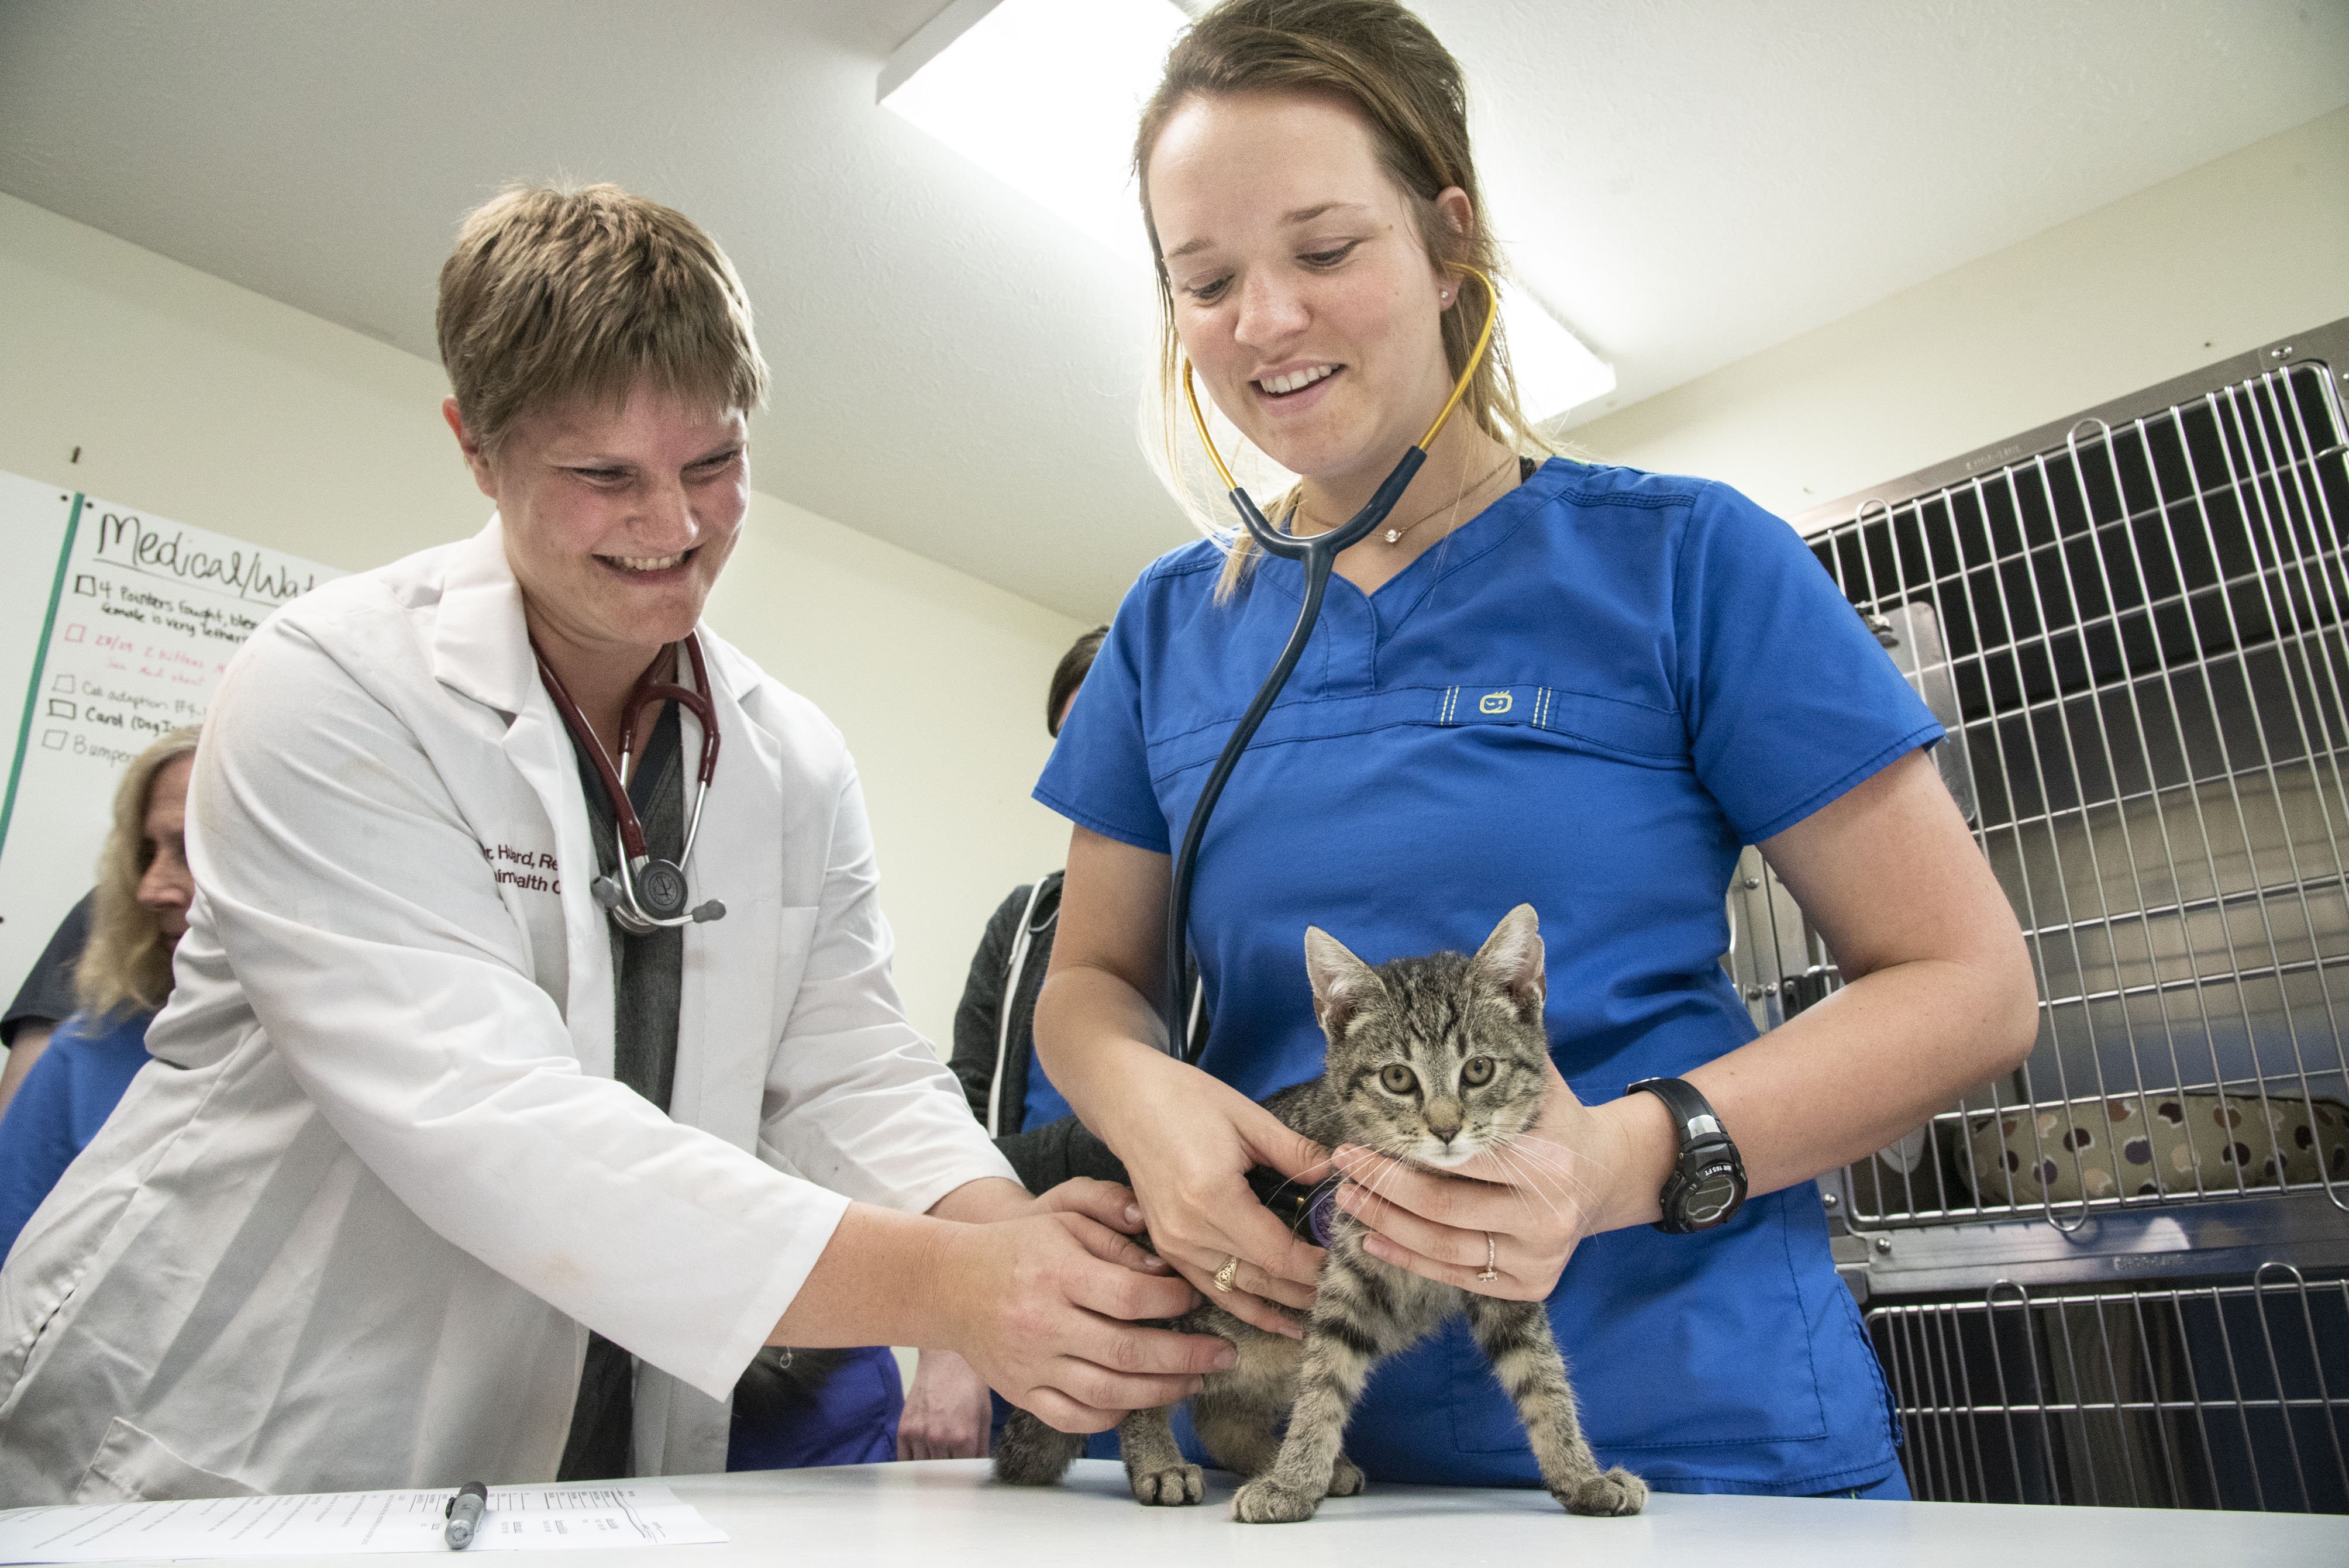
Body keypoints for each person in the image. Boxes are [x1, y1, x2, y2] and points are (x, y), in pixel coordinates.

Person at [0, 184, 1233, 1504]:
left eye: (714, 464)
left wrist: (1013, 1237)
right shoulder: (332, 687)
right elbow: (495, 1123)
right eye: (604, 476)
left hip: (578, 1463)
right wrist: (951, 1284)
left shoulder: (787, 757)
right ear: (477, 447)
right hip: (230, 1434)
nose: (675, 525)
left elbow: (850, 1065)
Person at [1031, 0, 2038, 1499]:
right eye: (1204, 280)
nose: (1262, 323)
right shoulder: (1166, 633)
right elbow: (1090, 987)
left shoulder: (1690, 565)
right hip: (1303, 1469)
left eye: (1321, 251)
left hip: (1690, 1453)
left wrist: (1618, 1160)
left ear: (1448, 242)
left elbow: (1969, 991)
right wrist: (1142, 1105)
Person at [897, 625, 1114, 1462]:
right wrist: (945, 1338)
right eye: (1068, 745)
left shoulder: (1225, 921)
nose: (1083, 772)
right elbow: (955, 1127)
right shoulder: (1025, 924)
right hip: (1017, 1295)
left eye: (1108, 736)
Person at [0, 728, 198, 1257]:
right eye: (147, 851)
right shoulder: (91, 1050)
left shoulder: (369, 1069)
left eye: (193, 848)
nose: (152, 888)